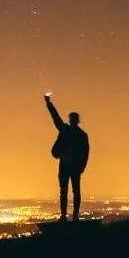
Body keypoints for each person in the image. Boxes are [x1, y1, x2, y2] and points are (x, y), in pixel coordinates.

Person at [44, 93, 89, 221]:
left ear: (70, 120)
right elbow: (86, 153)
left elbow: (55, 117)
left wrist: (48, 103)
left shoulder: (67, 131)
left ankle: (66, 216)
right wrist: (82, 167)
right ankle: (73, 216)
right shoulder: (81, 135)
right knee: (73, 191)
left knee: (66, 191)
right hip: (72, 166)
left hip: (68, 165)